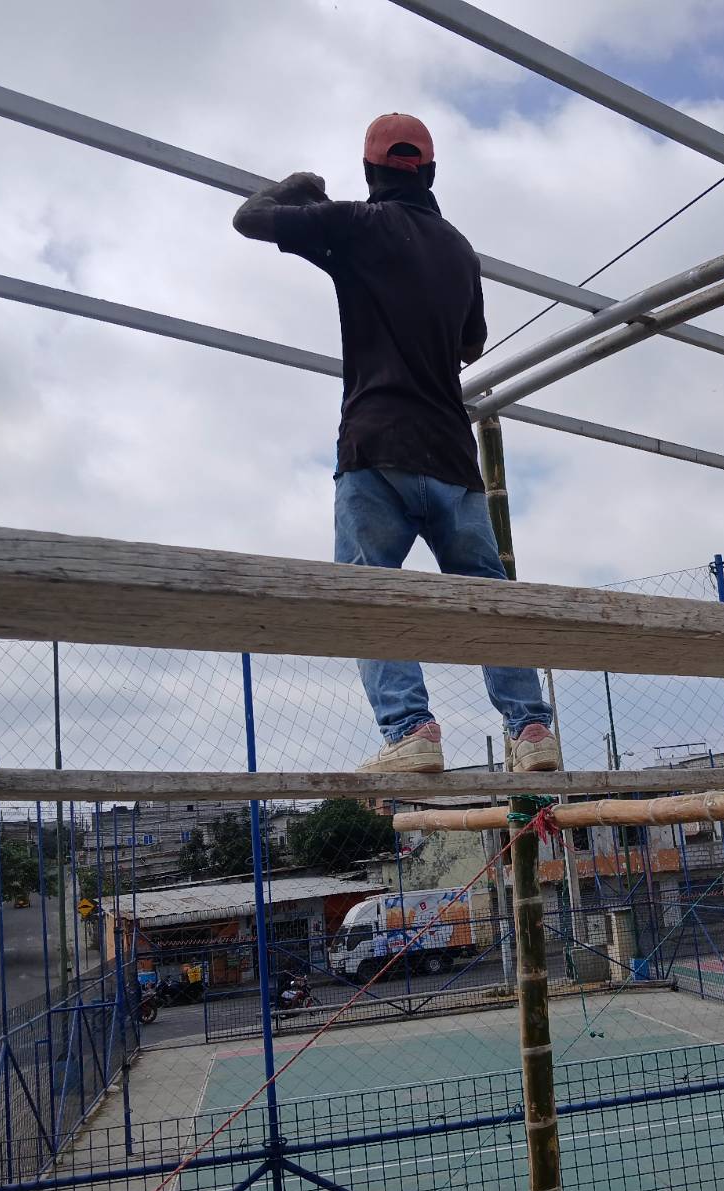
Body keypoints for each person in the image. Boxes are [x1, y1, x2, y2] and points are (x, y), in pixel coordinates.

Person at [231, 113, 558, 774]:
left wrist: (303, 191)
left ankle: (412, 730)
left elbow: (251, 218)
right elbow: (471, 345)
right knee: (486, 595)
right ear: (430, 172)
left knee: (365, 589)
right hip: (452, 457)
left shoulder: (357, 225)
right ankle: (530, 730)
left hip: (377, 445)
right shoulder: (460, 250)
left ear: (370, 170)